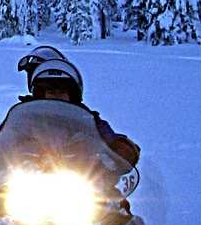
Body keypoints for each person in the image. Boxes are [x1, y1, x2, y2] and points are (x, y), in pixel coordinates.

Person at [9, 54, 141, 168]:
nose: (56, 96)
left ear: (72, 95)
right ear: (41, 94)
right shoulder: (25, 117)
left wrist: (122, 148)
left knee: (115, 197)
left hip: (79, 181)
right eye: (51, 92)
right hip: (29, 178)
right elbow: (1, 140)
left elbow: (108, 136)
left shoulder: (87, 119)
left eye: (62, 92)